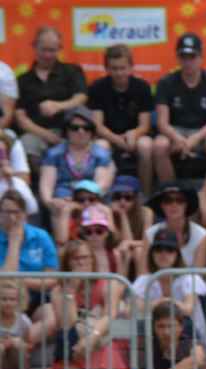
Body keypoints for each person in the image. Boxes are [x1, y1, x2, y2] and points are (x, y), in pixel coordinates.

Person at [50, 238, 129, 369]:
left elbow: (110, 315)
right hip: (75, 342)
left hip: (100, 339)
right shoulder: (58, 290)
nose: (81, 262)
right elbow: (66, 324)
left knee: (104, 349)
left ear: (93, 260)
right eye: (75, 259)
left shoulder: (108, 283)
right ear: (67, 263)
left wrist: (91, 339)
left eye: (85, 258)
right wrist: (71, 291)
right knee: (69, 350)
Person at [153, 33, 206, 181]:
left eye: (192, 56)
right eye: (183, 57)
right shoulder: (165, 83)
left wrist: (194, 138)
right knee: (160, 145)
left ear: (201, 57)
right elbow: (162, 123)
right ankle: (170, 191)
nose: (187, 62)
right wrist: (177, 138)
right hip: (175, 130)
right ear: (177, 57)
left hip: (203, 132)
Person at [15, 28, 89, 167]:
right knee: (26, 145)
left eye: (53, 50)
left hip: (69, 130)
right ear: (34, 47)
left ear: (59, 49)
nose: (48, 55)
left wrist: (58, 106)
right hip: (36, 132)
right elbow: (20, 117)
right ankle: (43, 184)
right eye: (44, 49)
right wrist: (45, 135)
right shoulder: (23, 80)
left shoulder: (72, 71)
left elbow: (81, 97)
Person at [40, 108, 113, 244]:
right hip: (63, 199)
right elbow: (46, 187)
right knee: (59, 207)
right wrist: (50, 202)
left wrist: (78, 201)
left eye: (86, 128)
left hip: (91, 198)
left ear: (92, 131)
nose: (81, 132)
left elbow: (100, 186)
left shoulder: (101, 154)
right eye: (75, 128)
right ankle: (64, 249)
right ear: (66, 130)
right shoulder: (53, 154)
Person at [88, 45, 155, 191]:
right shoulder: (97, 87)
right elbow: (97, 126)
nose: (119, 73)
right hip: (108, 136)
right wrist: (119, 141)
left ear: (131, 67)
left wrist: (134, 134)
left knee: (146, 145)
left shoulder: (142, 87)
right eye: (114, 68)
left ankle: (145, 194)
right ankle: (101, 192)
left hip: (135, 136)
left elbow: (145, 125)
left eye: (123, 68)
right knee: (100, 146)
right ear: (106, 68)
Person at [144, 298, 206, 369]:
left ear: (181, 327)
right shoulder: (148, 345)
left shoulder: (187, 341)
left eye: (171, 326)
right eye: (161, 326)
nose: (166, 332)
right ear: (153, 327)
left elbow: (198, 360)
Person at [145, 182, 206, 268]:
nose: (174, 205)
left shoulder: (201, 235)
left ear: (186, 205)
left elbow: (198, 275)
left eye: (180, 200)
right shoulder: (150, 233)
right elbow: (143, 273)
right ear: (161, 205)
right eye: (168, 201)